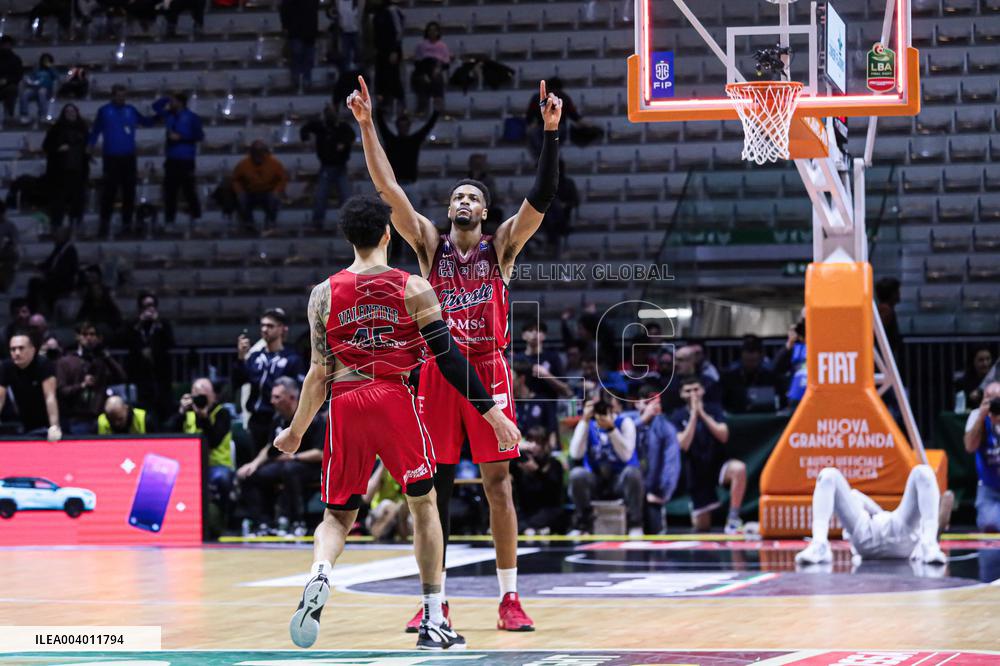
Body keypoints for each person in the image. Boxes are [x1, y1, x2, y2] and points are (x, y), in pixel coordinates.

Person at [351, 75, 563, 631]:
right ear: (447, 212)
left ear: (485, 213)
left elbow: (540, 197)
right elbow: (388, 191)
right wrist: (369, 127)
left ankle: (509, 598)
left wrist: (551, 134)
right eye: (455, 198)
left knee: (498, 486)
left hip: (489, 371)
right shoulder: (426, 245)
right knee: (435, 489)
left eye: (472, 197)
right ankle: (435, 600)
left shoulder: (503, 247)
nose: (462, 201)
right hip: (439, 376)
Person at [271, 194, 519, 649]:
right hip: (394, 398)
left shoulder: (322, 294)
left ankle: (320, 572)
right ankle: (432, 618)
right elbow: (448, 358)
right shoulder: (412, 287)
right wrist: (493, 413)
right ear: (388, 234)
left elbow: (316, 375)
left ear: (348, 237)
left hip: (345, 402)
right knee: (423, 506)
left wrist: (295, 432)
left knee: (337, 515)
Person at [796, 465, 948, 565]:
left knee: (923, 472)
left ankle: (929, 544)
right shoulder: (858, 502)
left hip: (900, 532)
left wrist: (878, 513)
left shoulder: (892, 519)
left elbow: (871, 507)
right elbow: (855, 496)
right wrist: (876, 512)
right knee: (827, 475)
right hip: (866, 535)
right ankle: (819, 544)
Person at [237, 377, 323, 537]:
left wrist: (294, 457)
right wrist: (254, 464)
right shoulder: (278, 419)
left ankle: (297, 522)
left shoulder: (313, 417)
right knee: (252, 475)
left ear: (291, 398)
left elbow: (320, 453)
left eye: (277, 397)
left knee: (290, 470)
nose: (272, 401)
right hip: (285, 464)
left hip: (312, 467)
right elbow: (270, 446)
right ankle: (263, 523)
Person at [671, 375, 746, 534]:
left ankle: (733, 518)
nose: (693, 394)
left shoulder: (714, 409)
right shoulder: (677, 416)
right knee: (702, 527)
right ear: (681, 394)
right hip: (695, 471)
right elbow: (683, 444)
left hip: (718, 465)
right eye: (688, 391)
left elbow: (723, 435)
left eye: (696, 389)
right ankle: (696, 510)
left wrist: (702, 413)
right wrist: (693, 416)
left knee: (739, 469)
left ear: (703, 390)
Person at [87, 84, 156, 238]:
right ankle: (104, 223)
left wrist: (160, 113)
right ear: (113, 96)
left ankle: (127, 224)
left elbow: (146, 122)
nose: (121, 98)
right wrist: (89, 148)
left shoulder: (130, 110)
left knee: (129, 192)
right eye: (118, 95)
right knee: (109, 192)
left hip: (128, 157)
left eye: (123, 96)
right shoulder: (104, 111)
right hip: (111, 157)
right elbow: (95, 131)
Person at [568, 396, 642, 536]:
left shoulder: (624, 422)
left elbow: (626, 455)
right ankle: (584, 524)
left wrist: (611, 429)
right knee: (577, 474)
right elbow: (575, 454)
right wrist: (584, 420)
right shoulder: (587, 425)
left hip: (619, 480)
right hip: (596, 479)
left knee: (633, 473)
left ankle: (635, 524)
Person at [234, 307, 304, 453]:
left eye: (270, 326)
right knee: (255, 464)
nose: (265, 329)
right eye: (263, 325)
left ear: (281, 329)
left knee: (276, 461)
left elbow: (299, 390)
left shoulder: (292, 358)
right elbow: (237, 382)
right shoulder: (254, 356)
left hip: (278, 418)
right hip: (256, 419)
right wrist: (241, 358)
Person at [169, 378, 235, 529]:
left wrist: (204, 418)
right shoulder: (186, 413)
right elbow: (168, 436)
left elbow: (213, 441)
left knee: (222, 478)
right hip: (189, 468)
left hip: (216, 466)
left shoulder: (222, 413)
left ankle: (223, 522)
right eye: (196, 395)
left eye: (204, 395)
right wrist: (180, 413)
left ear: (213, 396)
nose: (200, 399)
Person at [625, 384, 681, 534]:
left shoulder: (667, 428)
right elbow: (617, 437)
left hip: (651, 491)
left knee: (654, 529)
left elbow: (672, 463)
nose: (653, 407)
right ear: (637, 403)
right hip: (624, 487)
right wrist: (642, 420)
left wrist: (662, 493)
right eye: (648, 402)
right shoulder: (627, 421)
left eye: (656, 402)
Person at [55, 321, 126, 435]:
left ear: (99, 338)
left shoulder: (102, 361)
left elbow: (121, 377)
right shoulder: (66, 361)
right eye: (84, 334)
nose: (89, 338)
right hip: (76, 419)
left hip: (100, 418)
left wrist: (107, 356)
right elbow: (61, 391)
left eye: (92, 334)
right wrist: (81, 385)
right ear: (77, 336)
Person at [152, 92, 204, 228]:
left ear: (180, 102)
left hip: (186, 159)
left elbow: (199, 135)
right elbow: (155, 106)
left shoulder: (192, 117)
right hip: (171, 159)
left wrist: (181, 137)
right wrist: (167, 97)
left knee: (189, 191)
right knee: (170, 192)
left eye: (173, 101)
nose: (170, 104)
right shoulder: (169, 115)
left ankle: (196, 218)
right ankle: (170, 220)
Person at [300, 103, 355, 230]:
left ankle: (348, 224)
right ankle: (317, 223)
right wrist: (305, 138)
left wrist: (344, 143)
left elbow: (352, 136)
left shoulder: (343, 126)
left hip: (341, 167)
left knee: (347, 197)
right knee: (320, 197)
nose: (330, 115)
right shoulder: (321, 126)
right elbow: (305, 128)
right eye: (328, 112)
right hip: (326, 167)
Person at [122, 291, 174, 423]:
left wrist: (158, 324)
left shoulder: (163, 324)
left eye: (152, 305)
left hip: (161, 374)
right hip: (140, 374)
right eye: (146, 306)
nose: (150, 309)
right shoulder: (133, 325)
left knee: (163, 408)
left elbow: (171, 343)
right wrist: (139, 324)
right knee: (143, 409)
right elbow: (122, 341)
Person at [0, 332, 61, 440]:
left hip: (48, 422)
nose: (17, 353)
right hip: (25, 423)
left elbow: (50, 397)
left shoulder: (43, 364)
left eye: (21, 348)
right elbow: (0, 398)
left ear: (32, 350)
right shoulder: (6, 367)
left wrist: (54, 426)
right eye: (13, 349)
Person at [511, 426, 566, 535]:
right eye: (531, 441)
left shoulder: (554, 464)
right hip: (526, 509)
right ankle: (530, 528)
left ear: (545, 444)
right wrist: (517, 449)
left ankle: (528, 528)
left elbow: (554, 493)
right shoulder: (519, 463)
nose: (534, 446)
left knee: (558, 515)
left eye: (538, 442)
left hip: (547, 509)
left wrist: (537, 471)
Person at [43, 104, 90, 229]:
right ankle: (56, 226)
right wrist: (58, 149)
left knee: (77, 201)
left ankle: (75, 225)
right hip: (60, 172)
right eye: (68, 111)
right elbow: (46, 146)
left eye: (73, 111)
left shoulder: (83, 128)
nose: (71, 113)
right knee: (59, 201)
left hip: (78, 170)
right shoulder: (56, 129)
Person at [964, 381, 1000, 532]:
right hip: (988, 488)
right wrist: (982, 417)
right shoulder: (975, 416)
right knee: (990, 526)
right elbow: (970, 447)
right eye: (991, 399)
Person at [232, 141, 288, 233]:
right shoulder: (243, 164)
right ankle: (249, 225)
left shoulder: (274, 163)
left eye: (261, 152)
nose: (258, 155)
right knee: (241, 199)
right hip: (250, 192)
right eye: (255, 152)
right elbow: (235, 179)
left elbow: (283, 178)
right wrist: (239, 191)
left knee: (274, 199)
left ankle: (270, 224)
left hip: (268, 191)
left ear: (265, 152)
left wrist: (277, 190)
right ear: (251, 153)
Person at [721, 334, 779, 414]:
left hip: (763, 415)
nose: (750, 356)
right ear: (741, 355)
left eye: (754, 352)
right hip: (737, 416)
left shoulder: (770, 375)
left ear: (760, 356)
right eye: (747, 351)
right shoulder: (729, 375)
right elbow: (724, 403)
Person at [514, 321, 572, 400]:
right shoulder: (516, 359)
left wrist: (546, 375)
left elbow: (567, 391)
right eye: (530, 330)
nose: (534, 333)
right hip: (522, 408)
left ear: (544, 336)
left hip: (548, 408)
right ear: (523, 336)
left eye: (538, 331)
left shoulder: (553, 357)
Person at [412, 21, 450, 115]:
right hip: (423, 68)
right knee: (422, 81)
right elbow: (417, 62)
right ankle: (422, 108)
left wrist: (438, 68)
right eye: (430, 30)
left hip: (437, 68)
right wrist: (424, 73)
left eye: (434, 30)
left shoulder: (442, 46)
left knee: (437, 77)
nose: (432, 32)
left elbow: (446, 63)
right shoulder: (421, 46)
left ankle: (439, 107)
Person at [280, 0, 319, 89]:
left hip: (309, 32)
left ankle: (305, 80)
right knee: (297, 57)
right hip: (296, 31)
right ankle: (297, 81)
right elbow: (284, 10)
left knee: (307, 58)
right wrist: (285, 26)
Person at [372, 0, 405, 106]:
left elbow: (398, 32)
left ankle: (400, 102)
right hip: (381, 51)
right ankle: (384, 104)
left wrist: (395, 50)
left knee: (393, 77)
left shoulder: (392, 10)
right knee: (381, 78)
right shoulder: (377, 12)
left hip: (392, 50)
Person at [19, 53, 58, 124]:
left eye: (47, 60)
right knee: (25, 93)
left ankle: (43, 115)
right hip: (35, 88)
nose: (45, 62)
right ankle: (24, 115)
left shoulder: (52, 70)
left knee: (42, 92)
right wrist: (30, 81)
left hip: (47, 90)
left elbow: (56, 79)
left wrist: (51, 68)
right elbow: (31, 78)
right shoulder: (36, 69)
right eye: (44, 60)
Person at [956, 346, 994, 412]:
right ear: (973, 361)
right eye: (981, 360)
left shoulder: (996, 379)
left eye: (988, 359)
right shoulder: (963, 382)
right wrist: (970, 398)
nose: (985, 363)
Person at [0, 37, 23, 122]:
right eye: (4, 45)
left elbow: (18, 75)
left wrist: (6, 81)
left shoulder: (16, 59)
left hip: (9, 85)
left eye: (8, 45)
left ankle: (10, 115)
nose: (6, 47)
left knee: (11, 90)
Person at [0, 201, 19, 292]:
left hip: (2, 252)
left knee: (13, 255)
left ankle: (4, 283)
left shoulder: (7, 225)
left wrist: (11, 244)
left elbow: (15, 239)